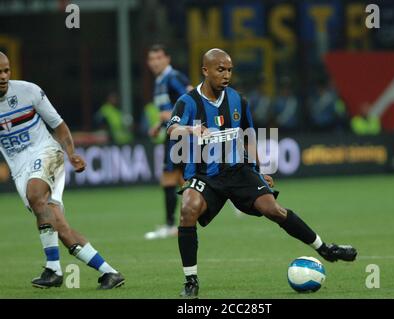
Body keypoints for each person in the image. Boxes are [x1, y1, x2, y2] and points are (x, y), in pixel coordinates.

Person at [167, 48, 358, 299]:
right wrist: (192, 130)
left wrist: (260, 169)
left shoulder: (237, 100)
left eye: (229, 70)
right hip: (205, 176)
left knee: (273, 209)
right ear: (205, 70)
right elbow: (172, 131)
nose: (226, 75)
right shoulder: (188, 102)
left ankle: (325, 249)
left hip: (239, 171)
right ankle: (191, 280)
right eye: (220, 69)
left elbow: (249, 138)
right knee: (188, 209)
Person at [0, 52, 125, 289]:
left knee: (35, 195)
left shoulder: (29, 91)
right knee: (59, 226)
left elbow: (59, 125)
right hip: (19, 168)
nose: (4, 76)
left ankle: (54, 270)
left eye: (6, 70)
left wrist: (71, 153)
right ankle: (109, 272)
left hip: (46, 153)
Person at [144, 44, 193, 240]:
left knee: (169, 178)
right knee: (184, 180)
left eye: (158, 58)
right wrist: (158, 123)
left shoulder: (173, 78)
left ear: (167, 59)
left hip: (179, 136)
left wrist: (171, 115)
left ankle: (171, 225)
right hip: (172, 134)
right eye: (151, 59)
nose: (155, 62)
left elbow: (190, 99)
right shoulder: (160, 81)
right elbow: (169, 110)